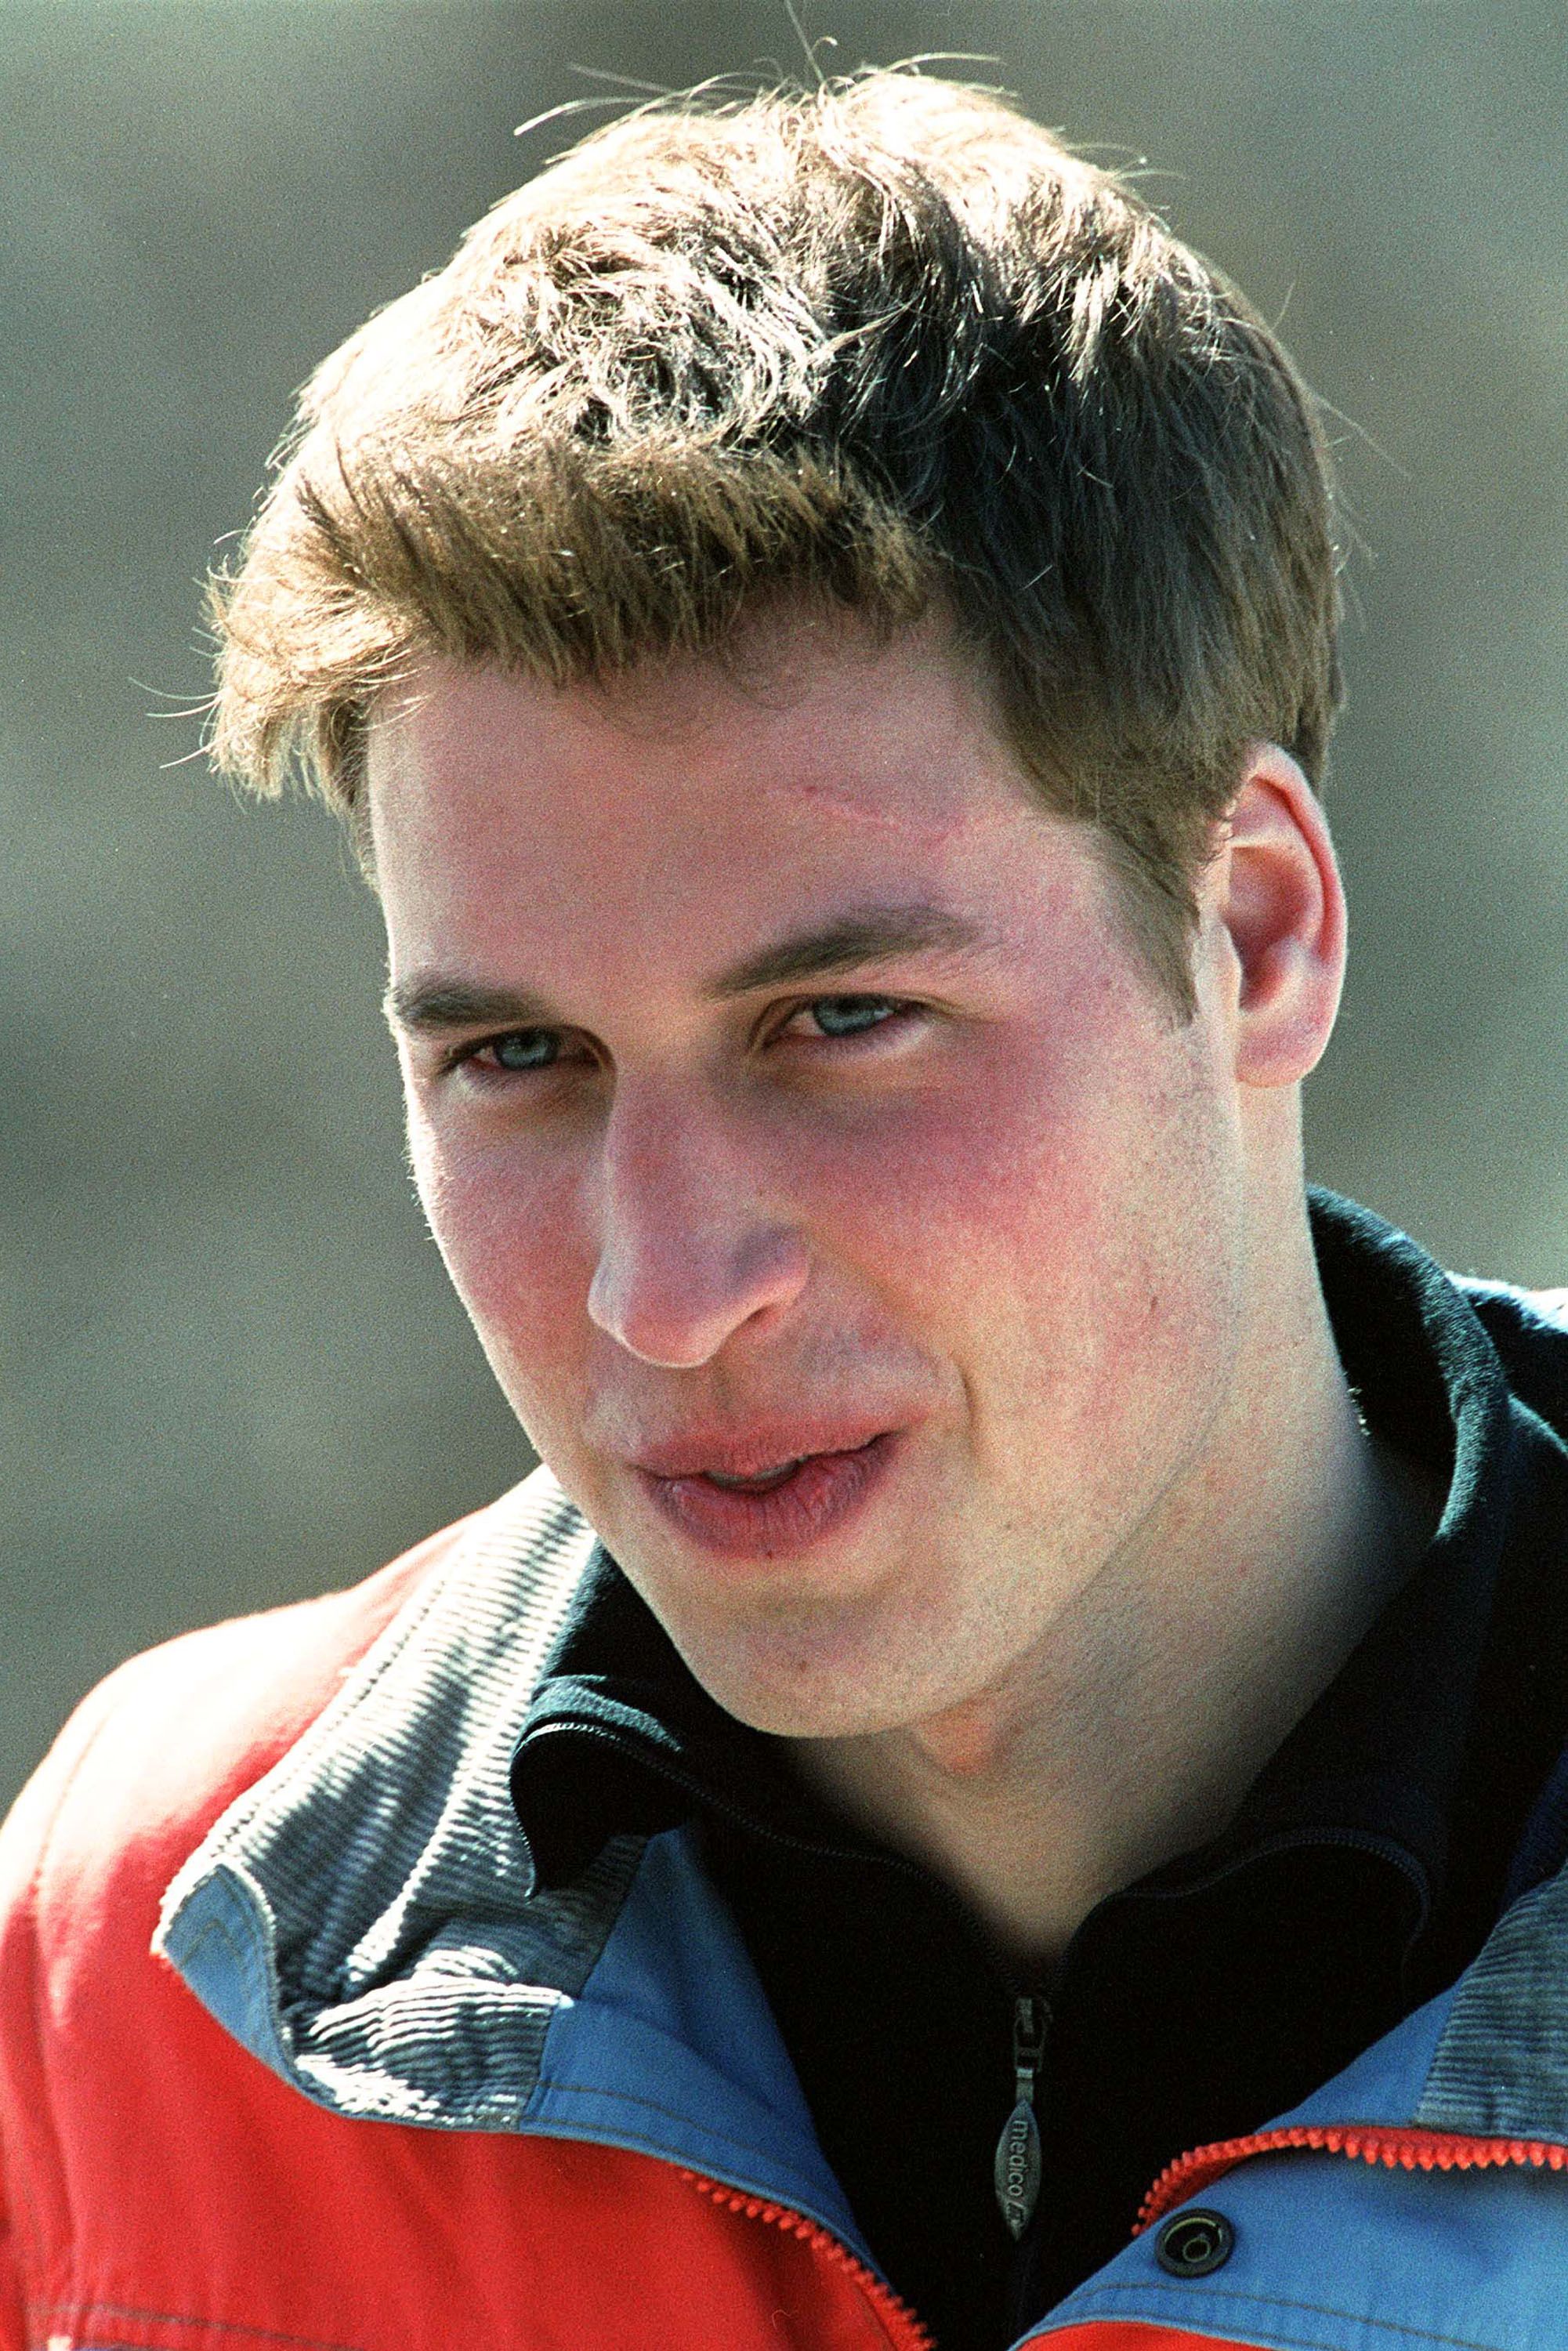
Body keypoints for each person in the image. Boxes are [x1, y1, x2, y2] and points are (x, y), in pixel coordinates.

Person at [2, 68, 1566, 2351]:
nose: (662, 1293)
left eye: (837, 1022)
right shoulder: (153, 1954)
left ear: (1248, 930)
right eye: (514, 1058)